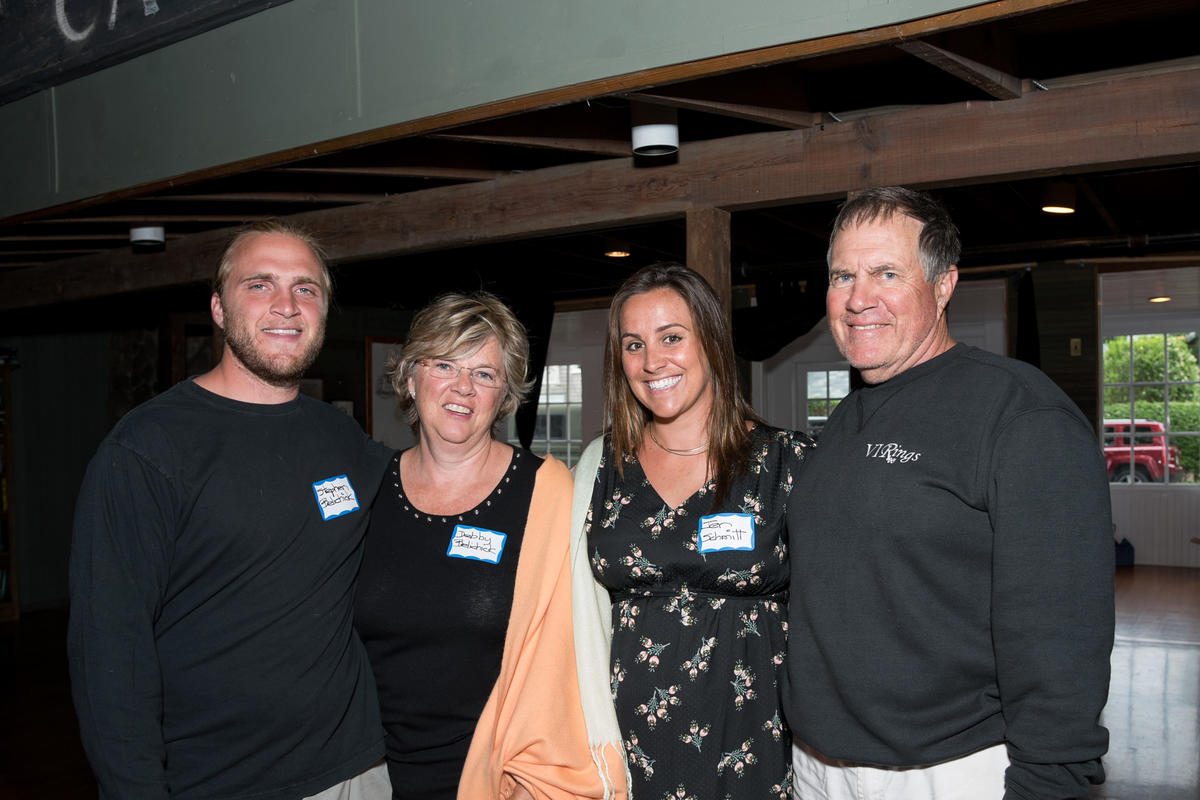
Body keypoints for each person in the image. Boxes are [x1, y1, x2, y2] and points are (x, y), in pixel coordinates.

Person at [786, 186, 1114, 799]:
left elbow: (1062, 649)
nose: (859, 299)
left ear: (943, 286)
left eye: (887, 273)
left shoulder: (1020, 416)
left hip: (946, 773)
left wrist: (1047, 784)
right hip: (818, 769)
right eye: (842, 275)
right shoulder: (845, 422)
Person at [67, 220, 394, 799]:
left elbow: (429, 495)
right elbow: (109, 653)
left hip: (354, 772)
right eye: (260, 285)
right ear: (219, 309)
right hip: (217, 781)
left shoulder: (341, 437)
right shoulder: (147, 448)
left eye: (307, 288)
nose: (287, 306)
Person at [353, 292, 617, 800]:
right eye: (445, 364)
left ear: (505, 394)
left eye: (484, 374)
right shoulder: (371, 486)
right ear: (410, 377)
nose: (462, 388)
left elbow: (569, 652)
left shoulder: (546, 490)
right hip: (373, 775)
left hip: (501, 779)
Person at [571, 263, 814, 799]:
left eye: (672, 338)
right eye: (633, 345)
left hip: (753, 745)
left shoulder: (787, 464)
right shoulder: (599, 469)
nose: (652, 361)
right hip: (625, 748)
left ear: (711, 340)